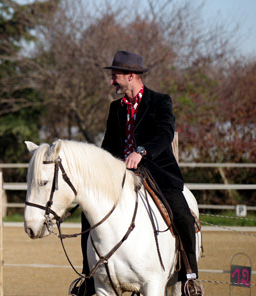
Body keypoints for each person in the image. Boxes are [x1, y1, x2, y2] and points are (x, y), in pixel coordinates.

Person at [76, 51, 199, 296]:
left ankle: (190, 277)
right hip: (121, 174)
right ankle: (89, 277)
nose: (112, 81)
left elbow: (164, 134)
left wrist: (141, 152)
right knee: (87, 213)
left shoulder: (160, 101)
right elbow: (109, 145)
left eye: (115, 76)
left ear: (131, 76)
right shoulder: (116, 108)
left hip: (158, 171)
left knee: (183, 214)